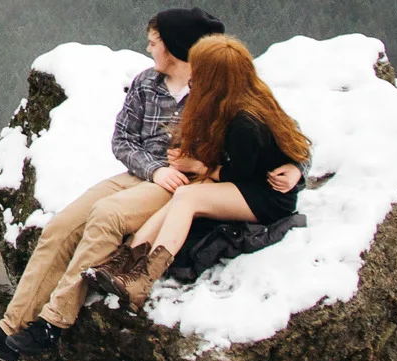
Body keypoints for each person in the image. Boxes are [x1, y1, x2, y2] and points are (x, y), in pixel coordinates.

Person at [0, 8, 298, 361]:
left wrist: (295, 167)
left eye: (154, 43)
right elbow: (122, 140)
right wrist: (153, 169)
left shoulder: (216, 87)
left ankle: (53, 323)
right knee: (61, 227)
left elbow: (277, 135)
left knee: (108, 216)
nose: (148, 49)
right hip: (143, 174)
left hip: (182, 181)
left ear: (175, 46)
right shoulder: (147, 83)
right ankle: (8, 328)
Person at [96, 34, 310, 309]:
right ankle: (123, 262)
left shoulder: (245, 122)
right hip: (248, 184)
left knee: (188, 198)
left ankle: (143, 279)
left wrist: (198, 167)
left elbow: (239, 174)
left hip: (265, 196)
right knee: (183, 197)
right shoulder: (244, 97)